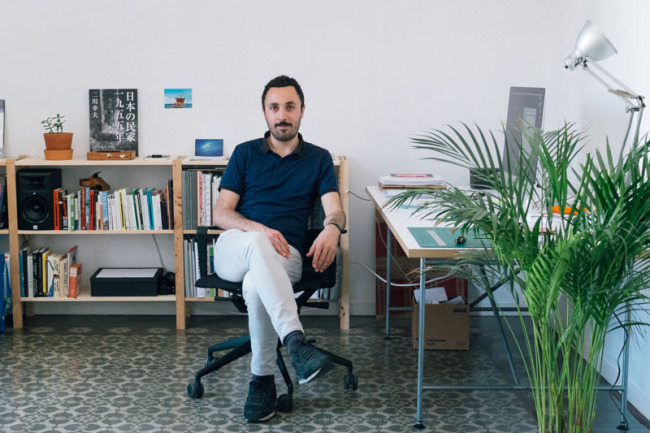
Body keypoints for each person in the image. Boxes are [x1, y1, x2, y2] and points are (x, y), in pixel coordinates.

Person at [212, 75, 346, 423]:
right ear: (264, 112)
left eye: (289, 107)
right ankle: (296, 342)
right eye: (274, 107)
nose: (282, 115)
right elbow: (221, 213)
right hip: (236, 248)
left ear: (302, 111)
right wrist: (260, 230)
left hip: (287, 255)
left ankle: (262, 381)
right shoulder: (244, 153)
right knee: (258, 243)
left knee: (256, 285)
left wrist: (333, 228)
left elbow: (334, 210)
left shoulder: (319, 158)